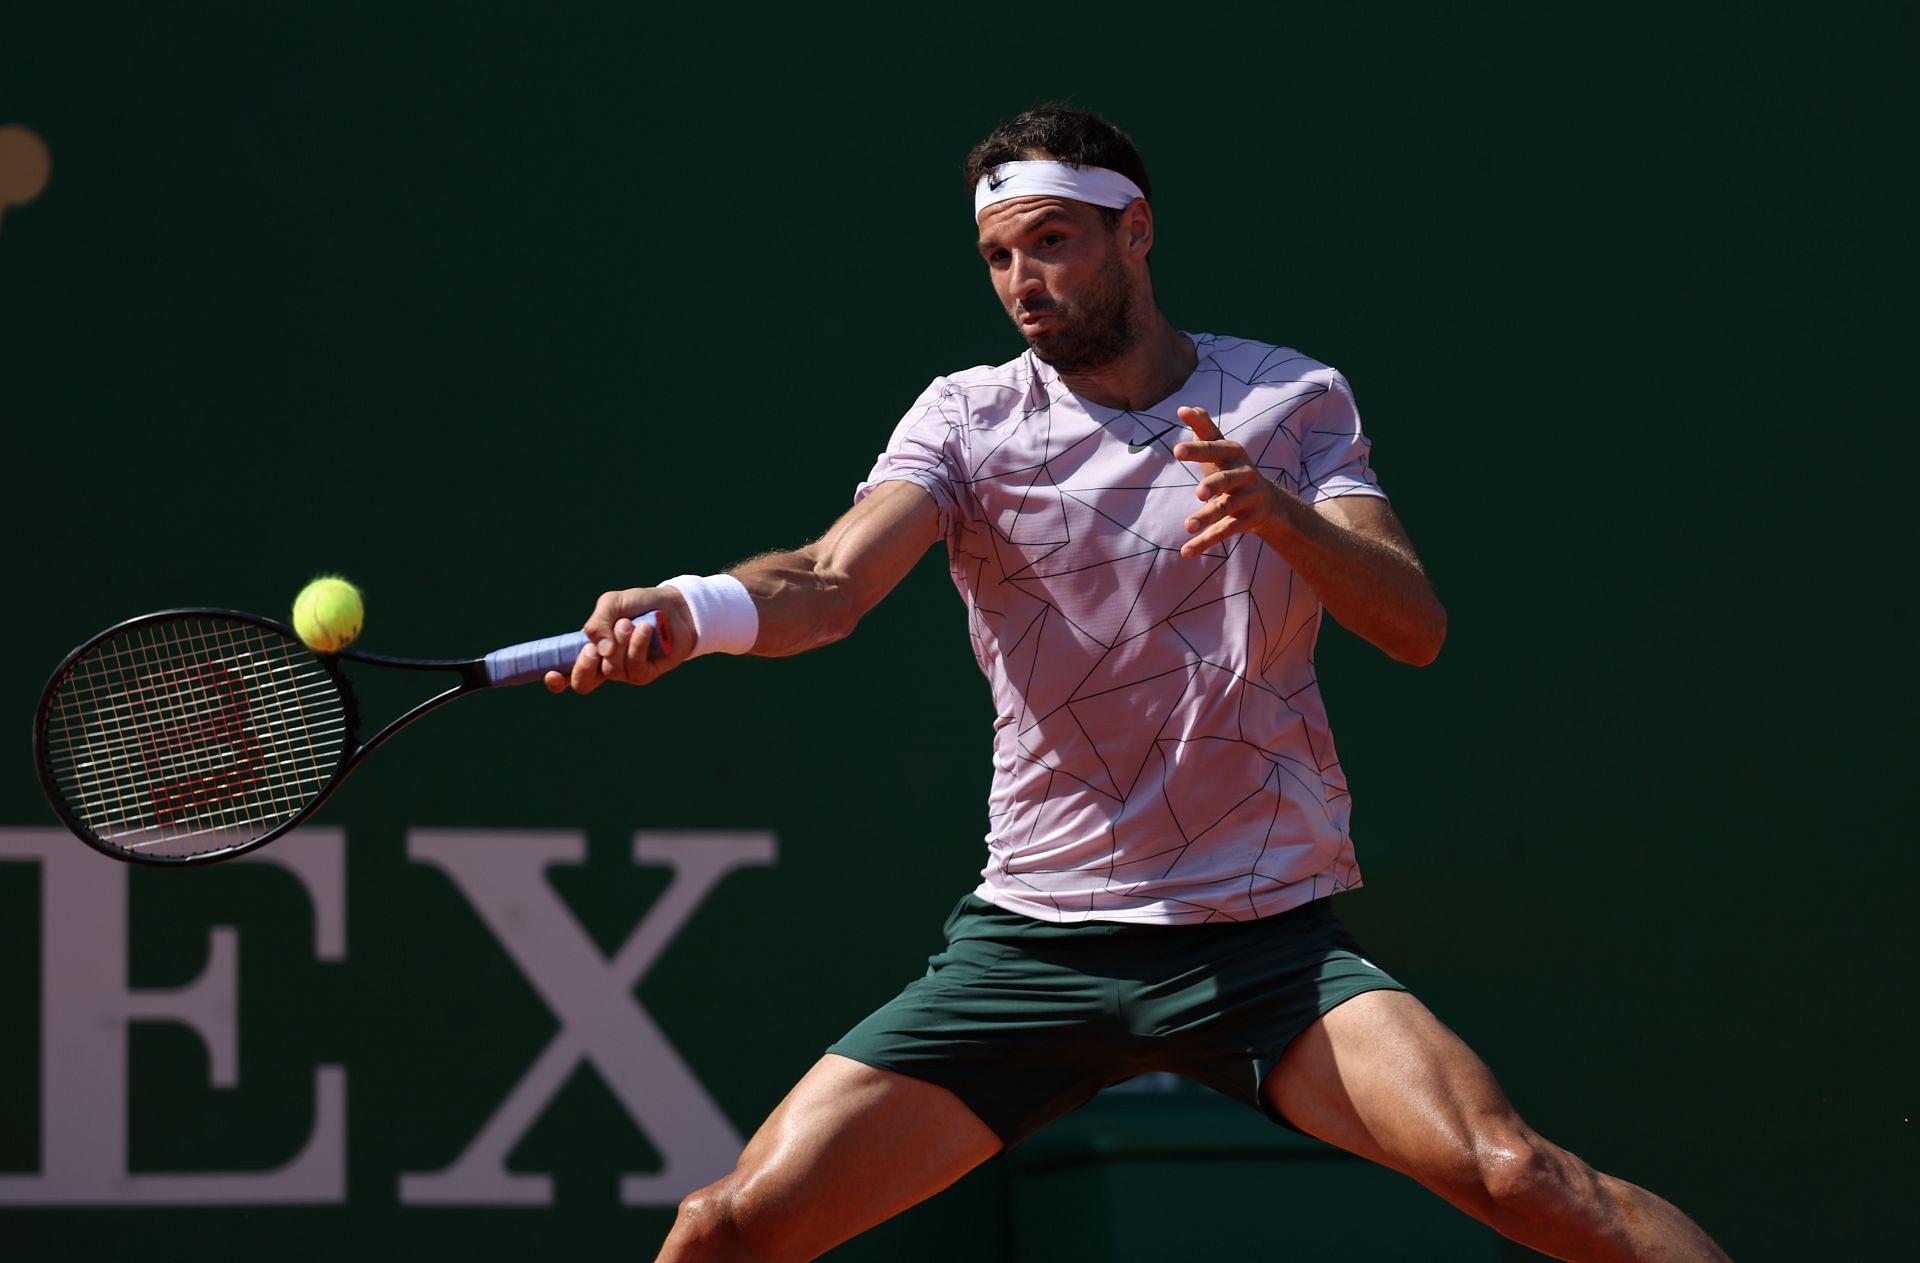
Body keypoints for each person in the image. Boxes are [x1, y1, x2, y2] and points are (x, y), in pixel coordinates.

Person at [548, 106, 1729, 1263]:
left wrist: (1279, 515)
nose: (1023, 278)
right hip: (1036, 944)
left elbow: (1411, 622)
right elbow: (828, 580)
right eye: (1000, 256)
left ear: (1137, 231)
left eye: (1052, 240)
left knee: (1524, 1176)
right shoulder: (964, 420)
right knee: (726, 1230)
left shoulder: (1287, 398)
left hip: (1261, 942)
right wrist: (694, 610)